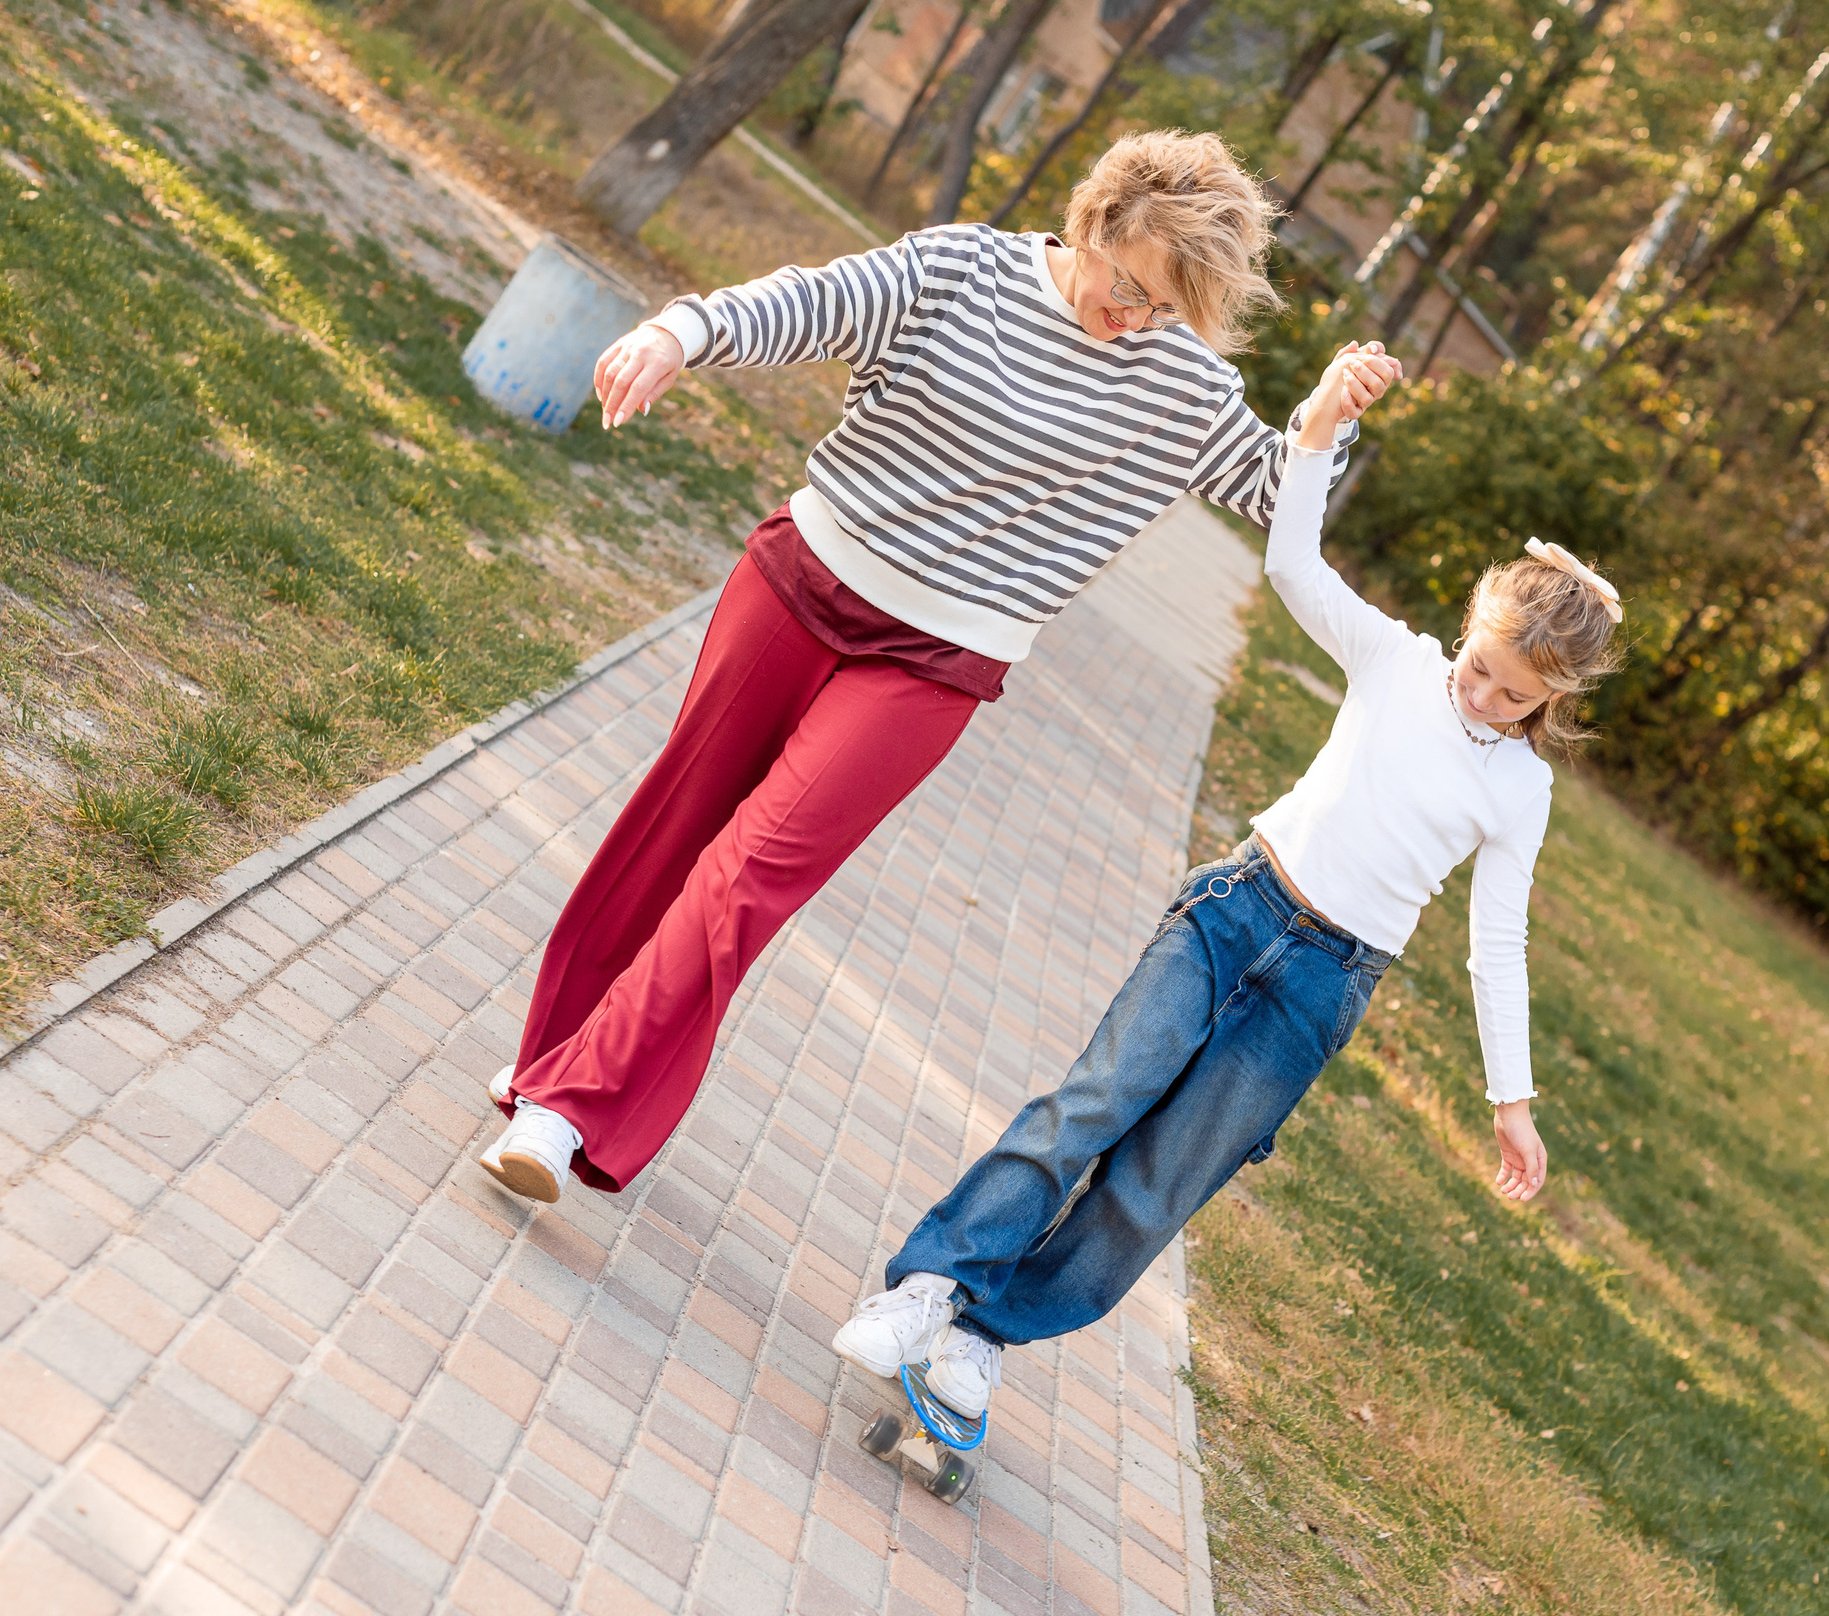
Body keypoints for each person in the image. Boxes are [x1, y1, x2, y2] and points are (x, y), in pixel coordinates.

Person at [477, 132, 1393, 1204]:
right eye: (1128, 284)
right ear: (1093, 222)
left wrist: (1323, 422)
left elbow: (1279, 497)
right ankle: (550, 1063)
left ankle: (567, 1109)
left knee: (750, 874)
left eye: (1165, 306)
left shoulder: (1182, 385)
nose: (1136, 316)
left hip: (938, 660)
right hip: (798, 583)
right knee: (676, 827)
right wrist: (680, 333)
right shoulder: (962, 269)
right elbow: (810, 302)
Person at [831, 341, 1627, 1420]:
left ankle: (983, 1335)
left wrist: (1512, 1102)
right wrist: (1320, 423)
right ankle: (931, 1286)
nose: (1480, 695)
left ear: (1552, 700)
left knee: (1157, 1188)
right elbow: (1293, 564)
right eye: (1479, 665)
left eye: (1512, 695)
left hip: (1322, 987)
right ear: (1470, 623)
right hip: (1236, 909)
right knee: (1095, 1102)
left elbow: (1499, 947)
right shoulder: (1397, 660)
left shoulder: (1522, 790)